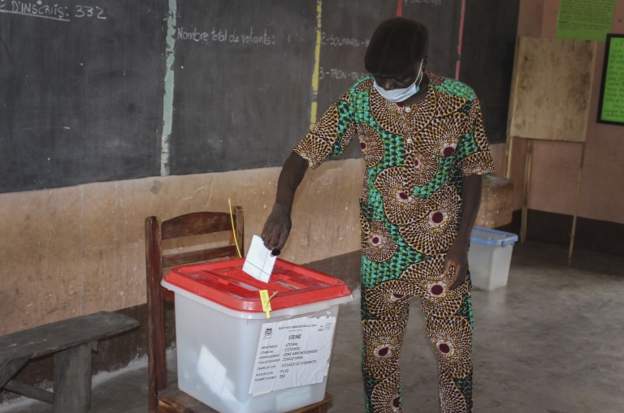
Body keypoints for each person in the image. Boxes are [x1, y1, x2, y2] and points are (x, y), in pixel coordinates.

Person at [262, 17, 493, 413]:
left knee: (454, 354)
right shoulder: (360, 99)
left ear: (422, 63)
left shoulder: (459, 100)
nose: (387, 87)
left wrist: (461, 243)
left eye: (397, 78)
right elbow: (304, 152)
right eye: (379, 79)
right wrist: (282, 205)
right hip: (381, 253)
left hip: (442, 253)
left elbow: (473, 171)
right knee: (378, 357)